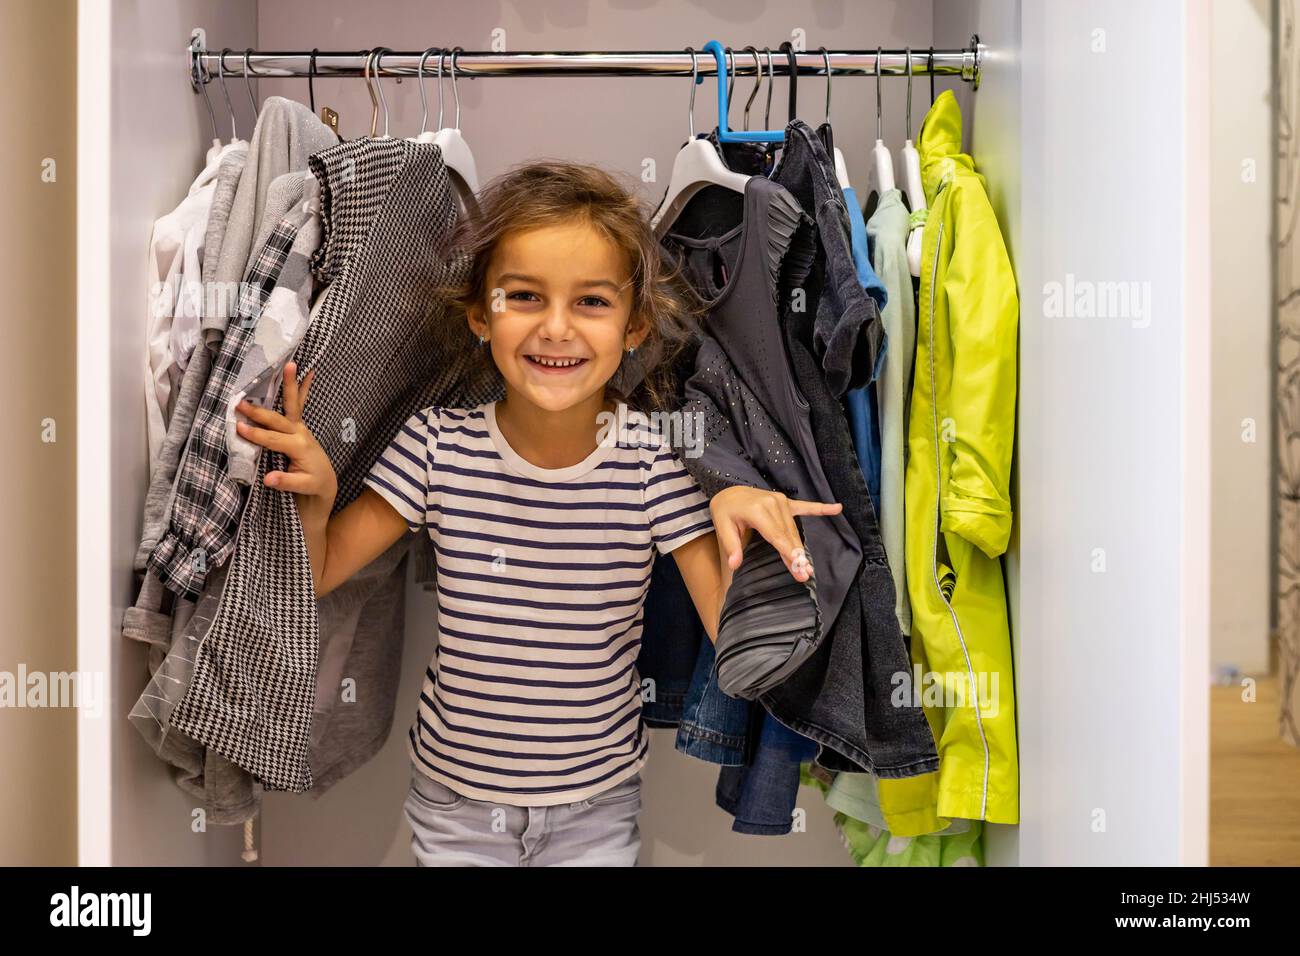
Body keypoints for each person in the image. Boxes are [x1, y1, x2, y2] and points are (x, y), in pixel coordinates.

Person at [234, 161, 841, 866]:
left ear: (635, 325)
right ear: (479, 315)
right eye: (523, 296)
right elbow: (320, 570)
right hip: (456, 805)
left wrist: (736, 504)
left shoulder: (652, 459)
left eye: (591, 302)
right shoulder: (435, 446)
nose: (555, 328)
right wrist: (314, 497)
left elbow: (736, 638)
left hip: (597, 808)